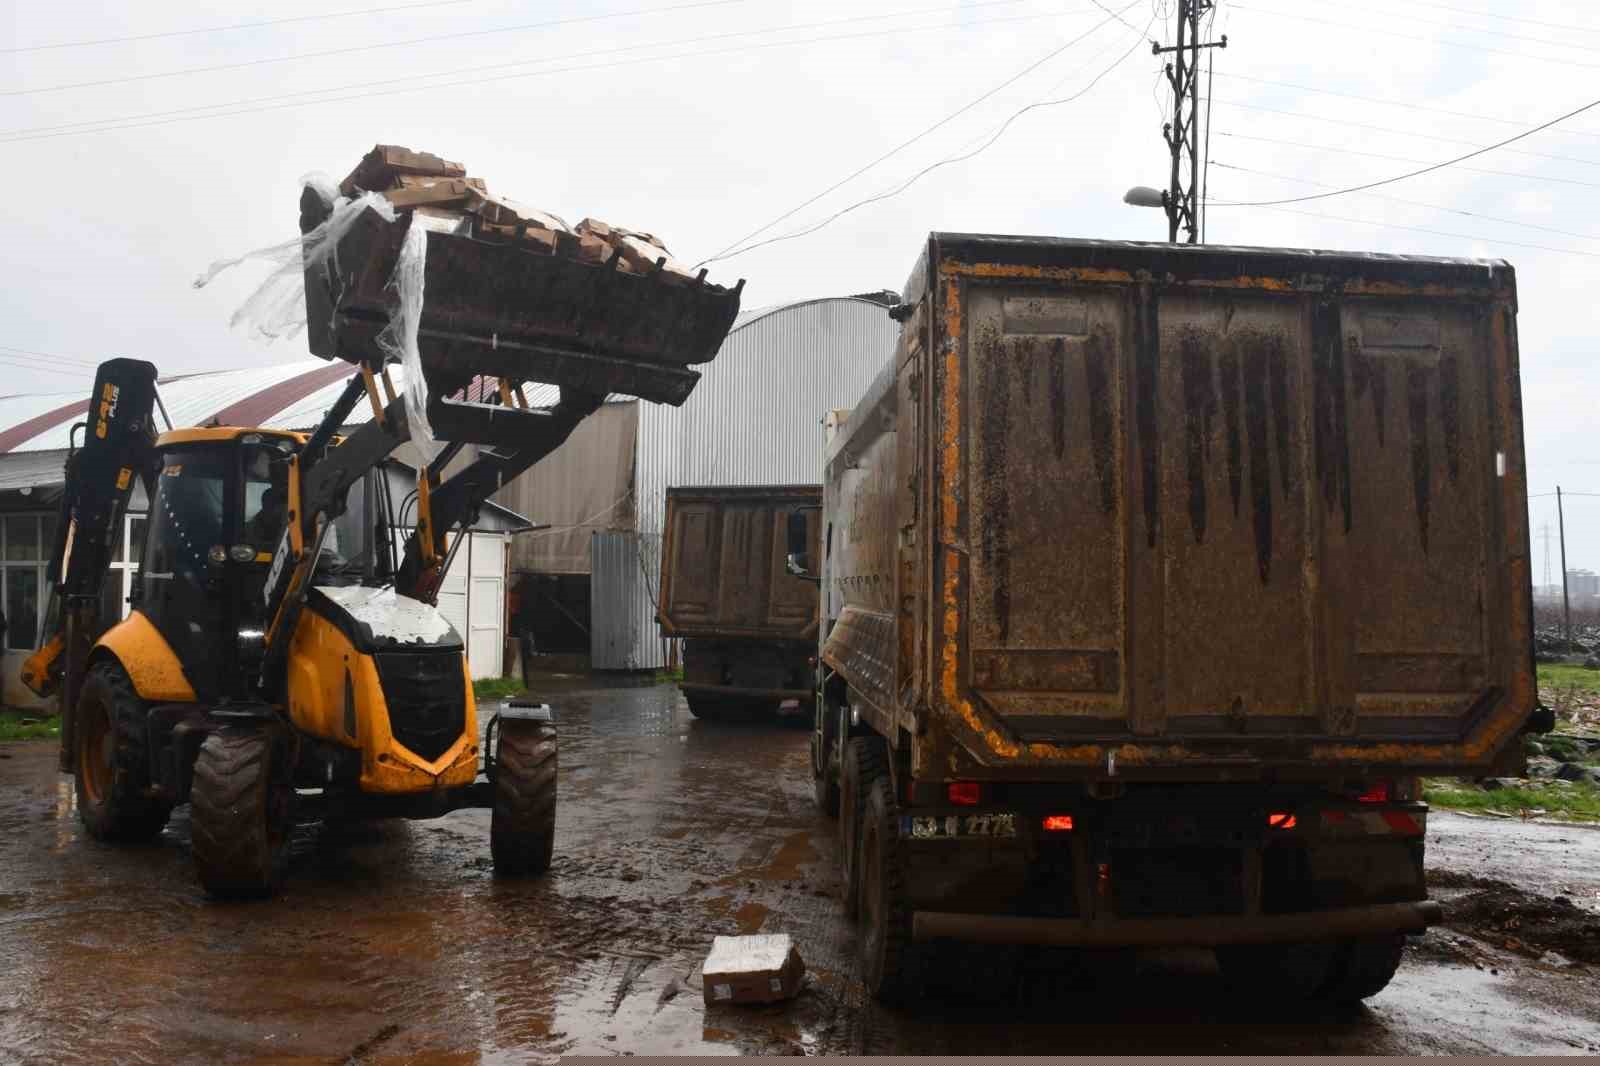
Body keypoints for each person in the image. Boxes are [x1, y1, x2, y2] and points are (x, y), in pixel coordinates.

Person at [244, 486, 287, 551]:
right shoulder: (250, 528)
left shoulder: (285, 526)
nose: (281, 509)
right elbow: (252, 547)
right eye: (278, 504)